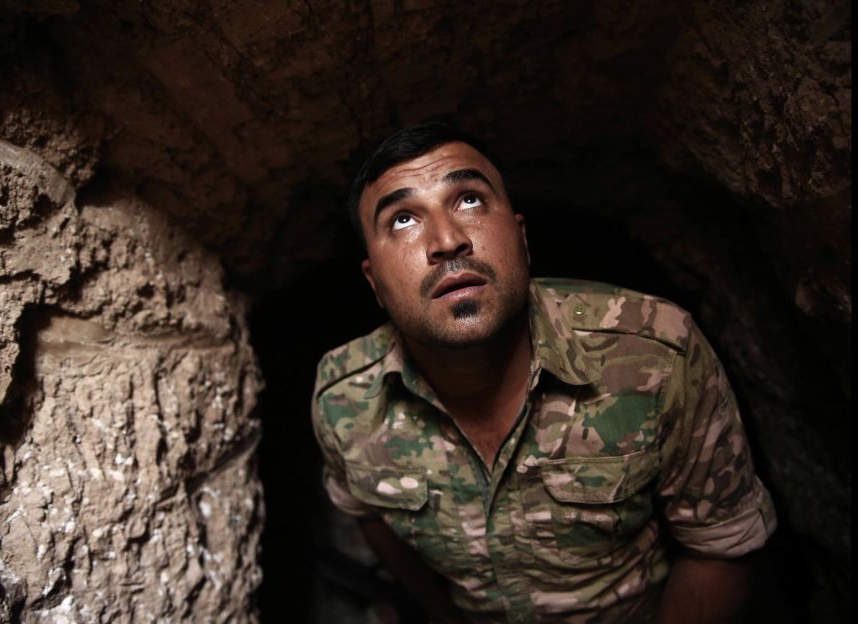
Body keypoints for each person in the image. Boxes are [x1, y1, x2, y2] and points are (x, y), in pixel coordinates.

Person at [311, 122, 777, 623]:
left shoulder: (655, 355)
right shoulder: (345, 399)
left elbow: (719, 544)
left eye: (468, 200)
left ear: (522, 237)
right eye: (403, 220)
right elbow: (369, 516)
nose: (447, 240)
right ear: (375, 282)